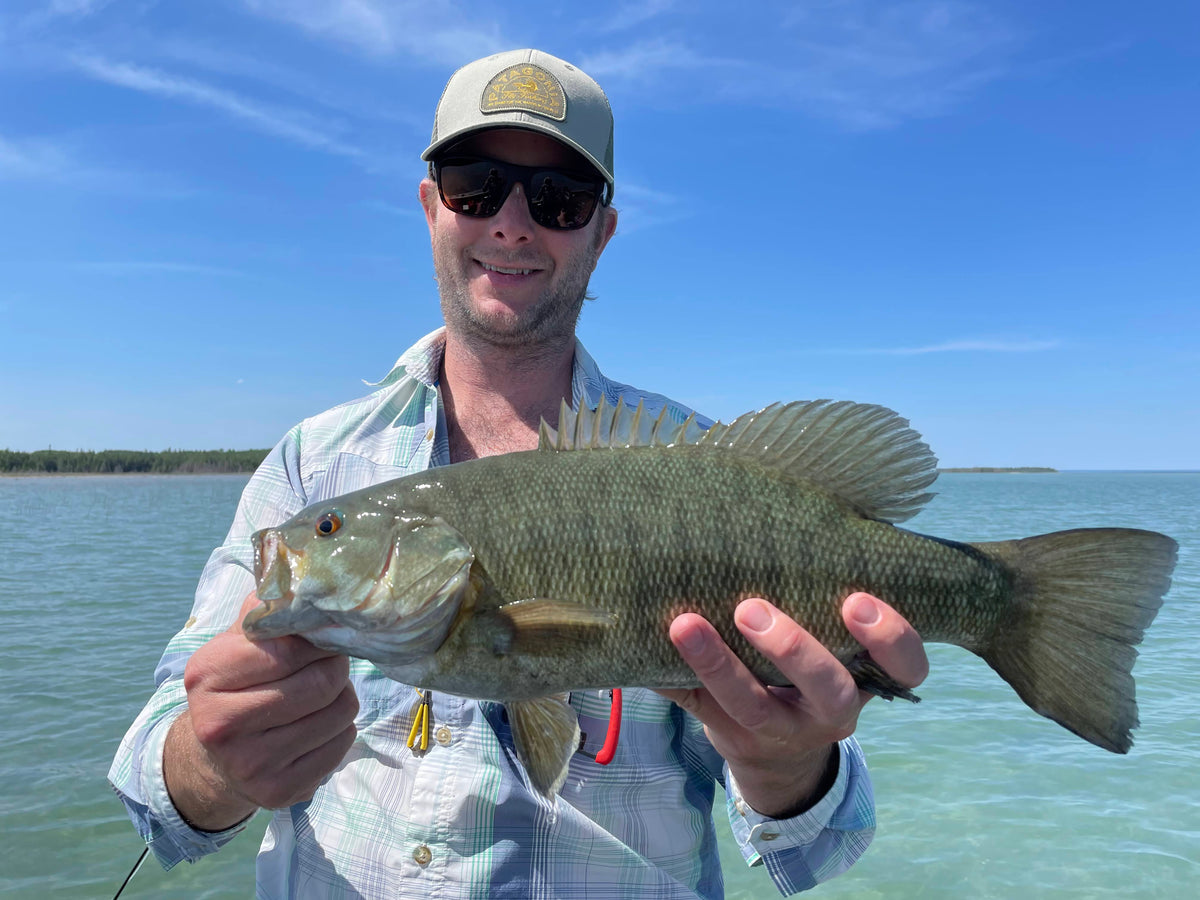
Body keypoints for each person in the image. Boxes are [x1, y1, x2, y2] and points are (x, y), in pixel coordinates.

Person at [110, 48, 928, 898]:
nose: (511, 223)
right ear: (431, 207)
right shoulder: (311, 462)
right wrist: (211, 760)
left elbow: (817, 851)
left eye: (559, 200)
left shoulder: (698, 465)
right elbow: (157, 797)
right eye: (475, 184)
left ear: (601, 234)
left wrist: (791, 764)